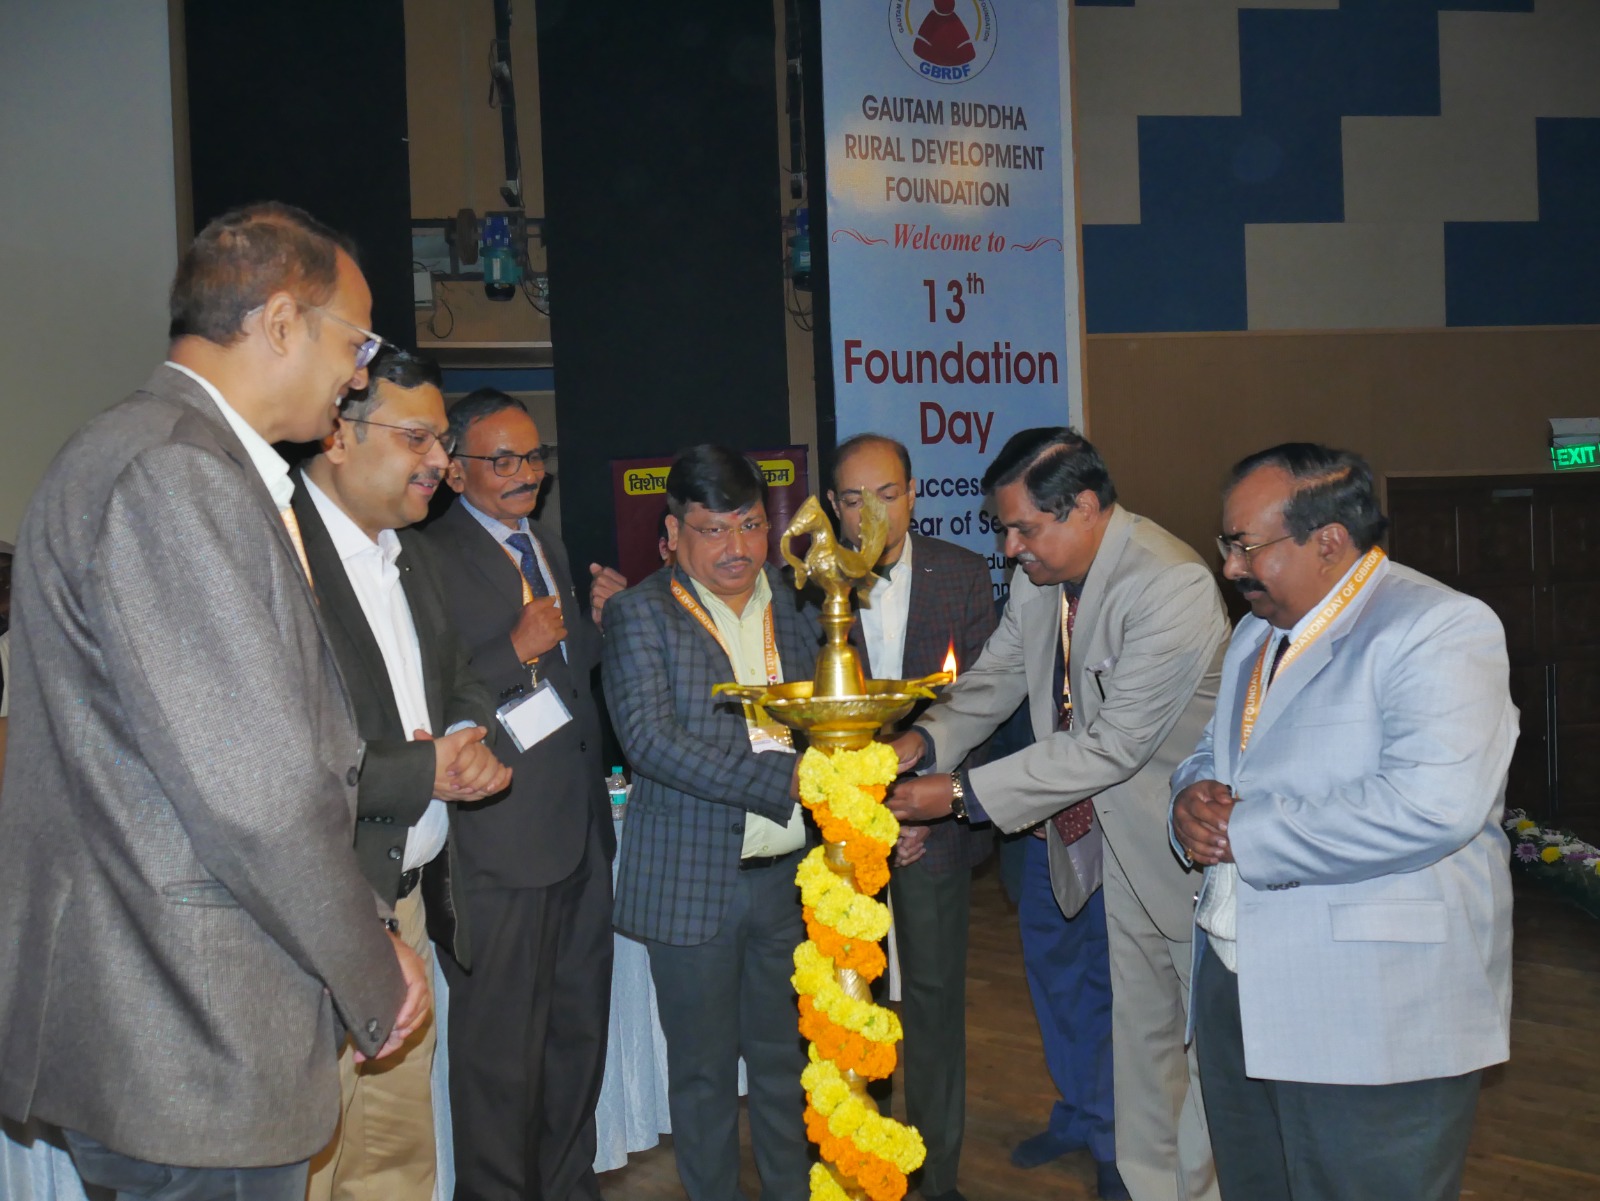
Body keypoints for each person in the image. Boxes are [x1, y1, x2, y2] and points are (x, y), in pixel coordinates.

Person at [0, 202, 427, 1201]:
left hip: (167, 1020)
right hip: (193, 1031)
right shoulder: (173, 473)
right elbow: (260, 796)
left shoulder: (157, 453)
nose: (358, 374)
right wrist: (371, 965)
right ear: (280, 323)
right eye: (355, 342)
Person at [887, 427, 1228, 1201]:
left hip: (1174, 847)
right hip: (1078, 835)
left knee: (1202, 1059)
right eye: (1003, 529)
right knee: (1139, 1049)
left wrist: (958, 795)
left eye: (1023, 529)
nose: (1009, 548)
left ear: (1083, 507)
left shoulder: (1168, 583)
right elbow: (995, 677)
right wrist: (924, 741)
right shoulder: (1044, 578)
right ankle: (1145, 1186)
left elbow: (1111, 747)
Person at [1171, 444, 1517, 1201]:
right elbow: (1215, 752)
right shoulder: (1256, 633)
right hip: (1237, 982)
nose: (1229, 566)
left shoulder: (1438, 627)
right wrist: (1190, 797)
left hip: (1372, 1006)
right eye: (1227, 543)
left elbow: (1431, 804)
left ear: (1328, 541)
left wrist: (1243, 833)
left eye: (1246, 546)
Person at [292, 347, 513, 1201]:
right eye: (416, 438)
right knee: (313, 1160)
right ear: (338, 434)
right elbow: (288, 755)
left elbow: (459, 672)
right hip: (322, 912)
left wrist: (463, 735)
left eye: (443, 439)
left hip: (408, 903)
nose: (439, 461)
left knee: (394, 1160)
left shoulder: (411, 553)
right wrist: (426, 769)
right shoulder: (280, 552)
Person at [602, 444, 821, 1201]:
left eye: (751, 525)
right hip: (693, 886)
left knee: (787, 1063)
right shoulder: (640, 613)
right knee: (701, 1077)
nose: (737, 547)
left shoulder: (797, 602)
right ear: (673, 534)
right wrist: (784, 778)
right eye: (714, 529)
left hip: (791, 882)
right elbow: (651, 742)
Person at [424, 388, 624, 1201]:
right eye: (502, 459)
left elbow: (564, 681)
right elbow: (427, 694)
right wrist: (514, 644)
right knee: (499, 1059)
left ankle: (569, 1186)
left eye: (534, 456)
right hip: (499, 845)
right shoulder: (424, 557)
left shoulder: (546, 542)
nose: (526, 473)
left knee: (577, 1036)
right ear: (454, 471)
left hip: (578, 834)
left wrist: (604, 625)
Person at [826, 433, 994, 1201]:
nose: (872, 512)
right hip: (840, 831)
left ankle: (937, 1172)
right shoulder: (813, 583)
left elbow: (985, 701)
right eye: (854, 498)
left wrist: (932, 802)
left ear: (914, 493)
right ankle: (863, 1158)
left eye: (887, 494)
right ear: (834, 505)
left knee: (933, 1001)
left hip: (934, 821)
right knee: (849, 1002)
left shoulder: (962, 574)